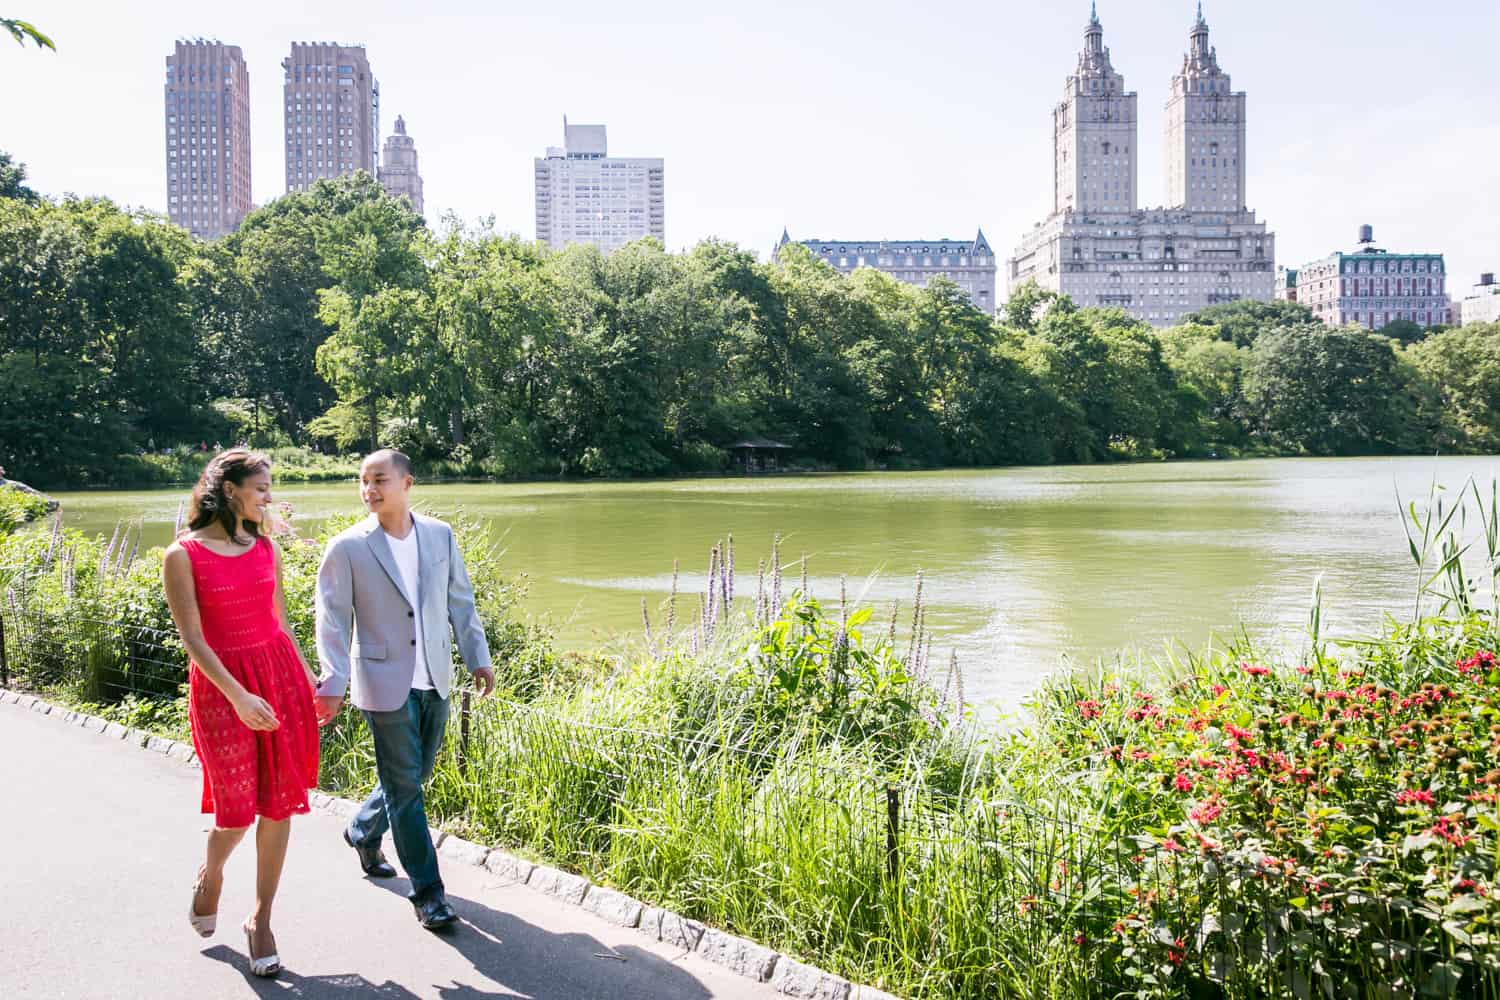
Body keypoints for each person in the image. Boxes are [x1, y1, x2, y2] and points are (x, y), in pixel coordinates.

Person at [313, 449, 494, 930]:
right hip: (381, 680)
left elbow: (461, 601)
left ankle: (363, 829)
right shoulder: (347, 547)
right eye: (363, 481)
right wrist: (332, 680)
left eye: (379, 480)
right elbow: (331, 621)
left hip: (435, 675)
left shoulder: (439, 535)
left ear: (406, 482)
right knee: (407, 789)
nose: (369, 489)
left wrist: (478, 657)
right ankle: (429, 894)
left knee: (414, 774)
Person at [162, 449, 320, 978]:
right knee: (236, 808)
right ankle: (211, 877)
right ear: (230, 489)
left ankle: (261, 918)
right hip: (222, 690)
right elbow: (193, 640)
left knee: (278, 804)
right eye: (261, 488)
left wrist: (308, 682)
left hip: (278, 680)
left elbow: (282, 624)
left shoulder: (265, 547)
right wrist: (237, 696)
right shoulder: (182, 555)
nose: (269, 498)